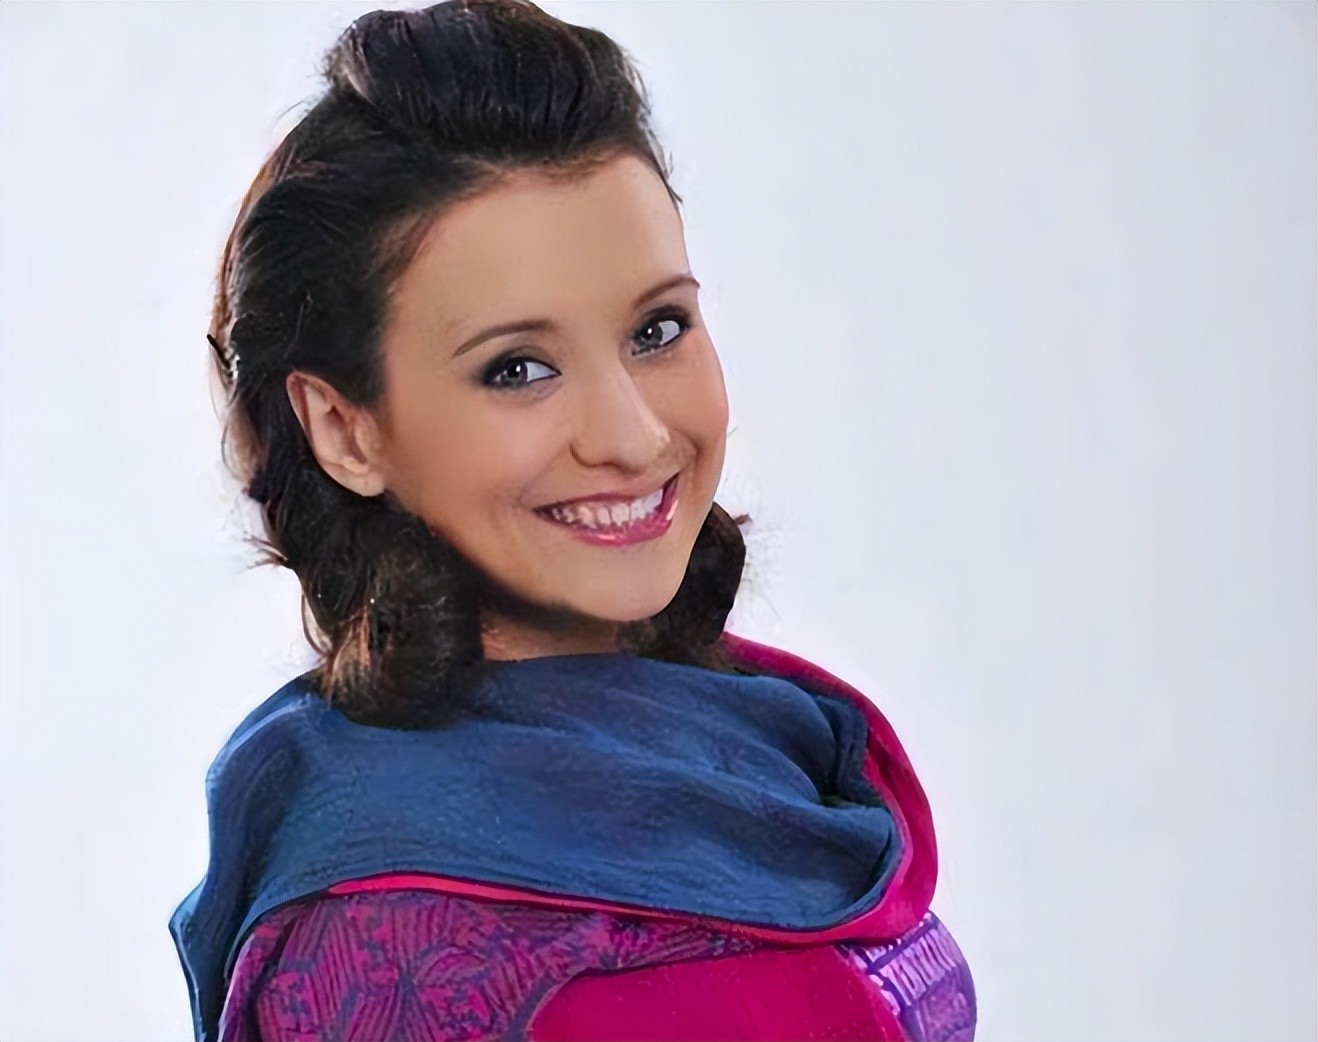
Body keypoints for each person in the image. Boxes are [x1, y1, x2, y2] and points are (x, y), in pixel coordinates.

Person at [169, 1, 977, 1039]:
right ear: (345, 428)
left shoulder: (767, 744)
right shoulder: (389, 940)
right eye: (518, 368)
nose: (634, 436)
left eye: (658, 329)